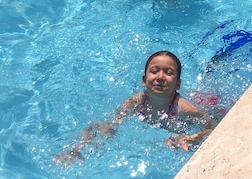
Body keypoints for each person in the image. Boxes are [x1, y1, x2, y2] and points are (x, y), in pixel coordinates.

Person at [55, 51, 218, 164]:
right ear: (143, 80)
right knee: (96, 126)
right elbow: (111, 125)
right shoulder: (136, 102)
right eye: (154, 71)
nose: (160, 77)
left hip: (207, 106)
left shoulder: (184, 108)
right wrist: (87, 143)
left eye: (168, 73)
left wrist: (191, 138)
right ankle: (73, 152)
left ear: (178, 84)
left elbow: (214, 128)